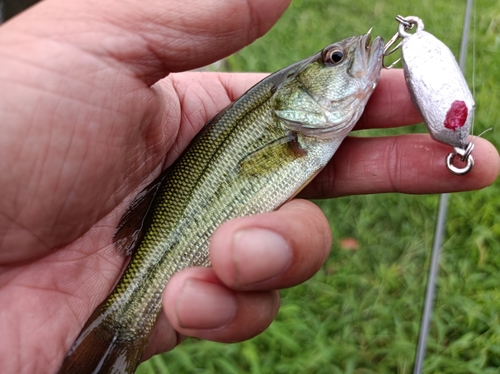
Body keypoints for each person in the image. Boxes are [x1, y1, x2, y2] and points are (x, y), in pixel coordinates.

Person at [0, 0, 498, 372]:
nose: (348, 58)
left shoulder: (297, 131)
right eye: (333, 59)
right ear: (293, 100)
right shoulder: (290, 131)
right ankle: (121, 327)